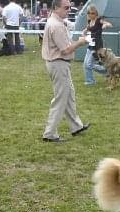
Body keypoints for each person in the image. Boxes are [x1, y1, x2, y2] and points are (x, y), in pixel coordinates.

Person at [41, 0, 90, 142]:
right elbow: (65, 50)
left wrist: (89, 28)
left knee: (69, 95)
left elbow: (72, 26)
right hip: (58, 63)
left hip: (59, 64)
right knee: (61, 98)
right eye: (66, 7)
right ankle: (50, 134)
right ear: (56, 8)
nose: (69, 10)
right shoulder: (56, 25)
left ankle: (76, 126)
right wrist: (81, 42)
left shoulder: (57, 21)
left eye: (70, 7)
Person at [82, 5, 112, 85]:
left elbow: (109, 24)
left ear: (95, 13)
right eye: (88, 13)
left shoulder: (99, 20)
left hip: (97, 46)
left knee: (89, 64)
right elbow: (88, 28)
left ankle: (92, 81)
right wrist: (85, 30)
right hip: (90, 45)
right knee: (86, 64)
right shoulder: (89, 21)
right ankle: (105, 72)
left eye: (92, 13)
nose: (90, 15)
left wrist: (105, 25)